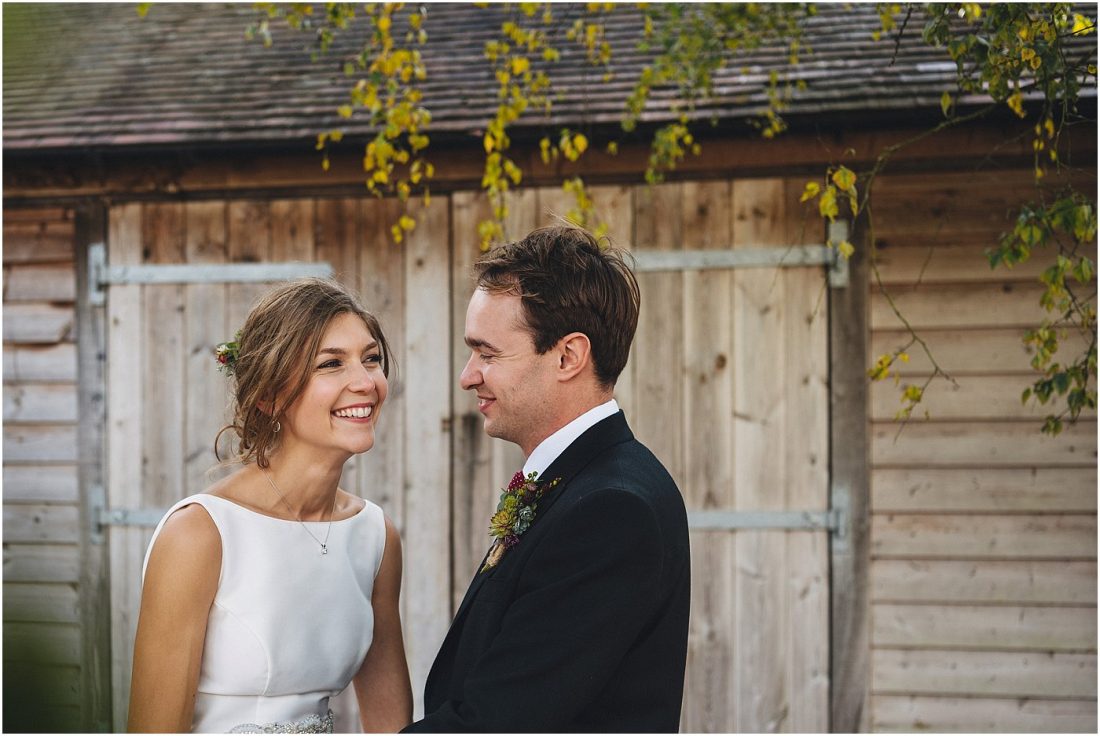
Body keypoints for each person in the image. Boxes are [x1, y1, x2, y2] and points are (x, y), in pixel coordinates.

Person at [405, 226, 691, 732]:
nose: (468, 375)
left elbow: (497, 722)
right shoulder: (583, 483)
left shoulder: (611, 511)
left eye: (487, 354)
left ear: (567, 357)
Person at [128, 277, 412, 733]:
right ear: (269, 395)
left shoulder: (376, 537)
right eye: (331, 364)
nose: (365, 382)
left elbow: (390, 725)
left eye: (371, 358)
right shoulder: (199, 534)